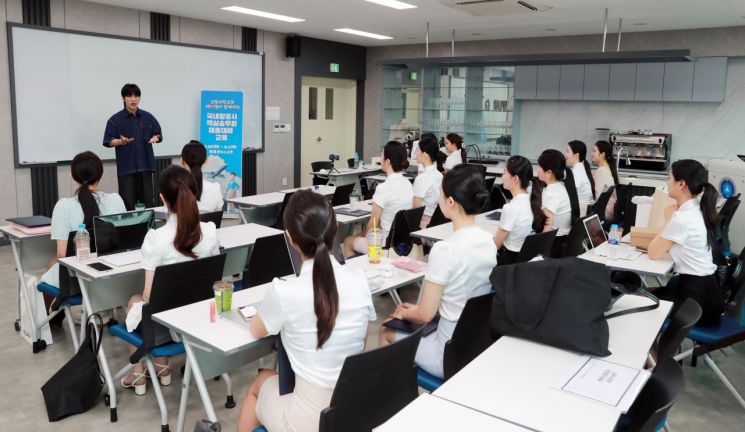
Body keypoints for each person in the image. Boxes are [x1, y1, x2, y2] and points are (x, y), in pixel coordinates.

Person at [237, 190, 376, 432]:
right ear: (334, 228)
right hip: (353, 409)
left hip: (308, 421)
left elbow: (256, 330)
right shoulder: (359, 279)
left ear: (289, 237)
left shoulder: (285, 291)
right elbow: (361, 343)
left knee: (260, 381)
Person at [378, 164, 495, 379]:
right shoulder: (488, 241)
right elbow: (459, 298)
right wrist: (416, 308)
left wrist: (405, 312)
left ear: (450, 202)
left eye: (440, 194)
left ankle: (394, 398)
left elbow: (424, 315)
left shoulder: (445, 249)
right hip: (475, 345)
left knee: (386, 329)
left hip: (447, 353)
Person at [120, 165, 219, 395]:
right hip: (198, 318)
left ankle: (139, 374)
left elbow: (148, 296)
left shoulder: (157, 238)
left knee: (136, 300)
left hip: (166, 325)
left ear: (163, 199)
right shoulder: (210, 232)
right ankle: (162, 369)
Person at [648, 159, 724, 325]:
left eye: (669, 178)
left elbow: (653, 253)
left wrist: (668, 219)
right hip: (708, 294)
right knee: (648, 293)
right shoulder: (697, 209)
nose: (667, 183)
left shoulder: (682, 218)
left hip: (697, 304)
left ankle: (655, 351)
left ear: (681, 184)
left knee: (639, 300)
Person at [40, 152, 126, 289]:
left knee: (49, 268)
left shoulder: (63, 206)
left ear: (73, 176)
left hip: (77, 281)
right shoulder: (116, 200)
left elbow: (62, 255)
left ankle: (57, 310)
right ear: (100, 176)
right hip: (116, 278)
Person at [343, 141, 413, 257]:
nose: (380, 159)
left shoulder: (384, 187)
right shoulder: (408, 184)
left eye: (382, 155)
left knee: (348, 241)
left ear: (388, 161)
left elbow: (372, 225)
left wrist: (361, 235)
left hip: (385, 245)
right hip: (403, 244)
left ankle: (356, 272)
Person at [103, 83, 163, 210]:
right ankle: (130, 230)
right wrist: (121, 141)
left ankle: (149, 230)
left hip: (146, 167)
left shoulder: (148, 117)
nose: (133, 99)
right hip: (127, 169)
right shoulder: (115, 120)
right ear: (123, 98)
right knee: (128, 204)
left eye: (136, 96)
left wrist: (156, 137)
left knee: (148, 204)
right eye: (129, 96)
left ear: (139, 98)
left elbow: (157, 133)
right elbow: (108, 141)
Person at [493, 156, 545, 265]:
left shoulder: (511, 208)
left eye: (504, 172)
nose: (502, 176)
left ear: (515, 178)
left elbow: (495, 246)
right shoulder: (533, 201)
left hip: (508, 263)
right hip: (525, 263)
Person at [537, 149, 580, 257]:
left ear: (549, 173)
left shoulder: (552, 193)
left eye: (539, 166)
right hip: (562, 240)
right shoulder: (561, 186)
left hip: (553, 245)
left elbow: (547, 223)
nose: (537, 169)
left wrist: (540, 251)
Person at [180, 140, 224, 212]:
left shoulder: (174, 189)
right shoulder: (215, 189)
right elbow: (217, 217)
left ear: (181, 160)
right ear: (206, 160)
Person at [412, 136, 444, 229]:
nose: (415, 153)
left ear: (425, 154)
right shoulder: (440, 176)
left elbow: (415, 211)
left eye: (417, 150)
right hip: (436, 224)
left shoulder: (422, 178)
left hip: (422, 226)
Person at [591, 140, 619, 221]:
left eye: (594, 151)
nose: (591, 153)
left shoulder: (601, 171)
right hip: (610, 211)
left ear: (602, 154)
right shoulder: (607, 168)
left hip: (604, 213)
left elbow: (597, 197)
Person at [566, 140, 596, 211]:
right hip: (587, 208)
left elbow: (572, 189)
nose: (566, 154)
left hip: (582, 210)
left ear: (576, 155)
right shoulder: (583, 166)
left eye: (568, 151)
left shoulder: (577, 170)